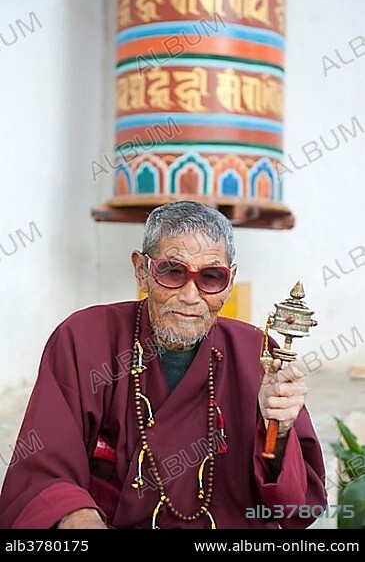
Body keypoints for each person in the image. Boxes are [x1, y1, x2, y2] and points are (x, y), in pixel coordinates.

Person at [0, 201, 327, 529]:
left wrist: (278, 430)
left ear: (230, 281)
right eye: (172, 271)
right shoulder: (83, 339)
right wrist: (78, 517)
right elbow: (42, 471)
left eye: (211, 277)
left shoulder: (257, 356)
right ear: (142, 271)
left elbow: (293, 507)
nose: (190, 296)